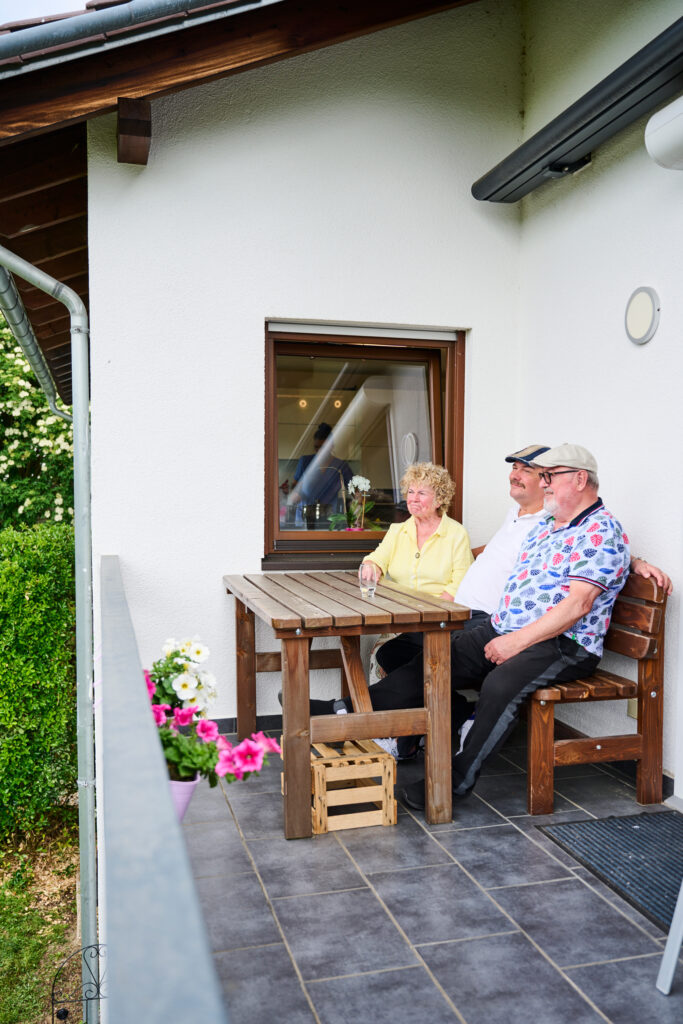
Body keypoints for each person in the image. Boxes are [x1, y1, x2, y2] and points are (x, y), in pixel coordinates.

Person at [400, 443, 632, 811]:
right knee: (438, 656)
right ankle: (342, 711)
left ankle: (452, 782)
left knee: (500, 684)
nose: (546, 484)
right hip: (508, 627)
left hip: (566, 644)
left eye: (550, 476)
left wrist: (513, 642)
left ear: (580, 478)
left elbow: (579, 604)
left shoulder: (602, 531)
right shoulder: (549, 524)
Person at [282, 422, 352, 523]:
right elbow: (295, 486)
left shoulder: (340, 466)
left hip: (330, 518)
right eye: (316, 447)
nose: (319, 451)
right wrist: (296, 494)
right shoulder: (305, 462)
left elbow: (354, 489)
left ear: (331, 446)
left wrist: (358, 500)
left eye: (323, 448)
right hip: (304, 518)